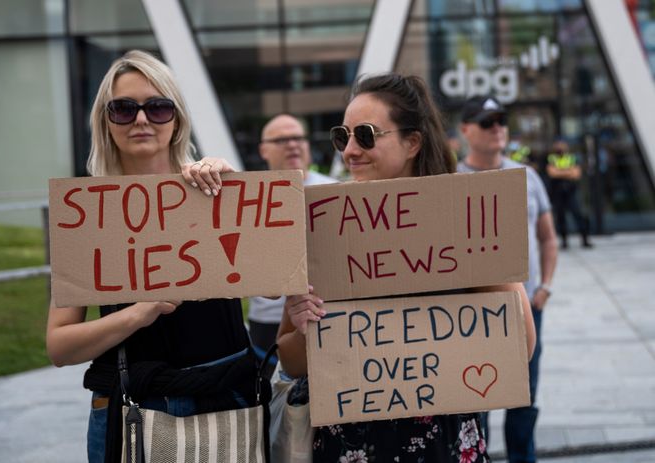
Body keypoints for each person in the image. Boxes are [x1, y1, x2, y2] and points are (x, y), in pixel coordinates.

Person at [276, 74, 536, 462]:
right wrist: (303, 327)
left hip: (440, 444)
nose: (349, 150)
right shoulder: (322, 226)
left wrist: (477, 265)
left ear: (412, 141)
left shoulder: (459, 218)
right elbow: (290, 360)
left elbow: (522, 345)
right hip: (349, 445)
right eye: (341, 136)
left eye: (365, 135)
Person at [46, 50, 260, 463]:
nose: (142, 119)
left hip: (226, 402)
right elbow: (59, 346)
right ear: (105, 122)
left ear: (177, 118)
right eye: (124, 109)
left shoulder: (216, 192)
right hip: (132, 412)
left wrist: (233, 189)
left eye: (158, 107)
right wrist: (138, 313)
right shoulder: (89, 214)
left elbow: (274, 286)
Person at [458, 95, 559, 463]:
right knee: (474, 398)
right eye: (486, 122)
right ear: (465, 130)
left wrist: (545, 287)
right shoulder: (450, 180)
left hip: (526, 307)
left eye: (501, 120)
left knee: (525, 395)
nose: (497, 127)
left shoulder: (527, 176)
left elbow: (548, 237)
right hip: (473, 313)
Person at [248, 114, 335, 357]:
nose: (293, 144)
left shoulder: (334, 192)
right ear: (263, 150)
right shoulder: (249, 199)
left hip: (325, 313)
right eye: (282, 140)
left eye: (298, 137)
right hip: (267, 321)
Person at [546, 139, 593, 249]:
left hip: (571, 192)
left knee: (578, 215)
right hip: (557, 192)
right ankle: (564, 242)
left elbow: (576, 174)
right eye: (558, 145)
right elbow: (552, 173)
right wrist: (568, 172)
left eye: (562, 145)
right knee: (561, 217)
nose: (560, 147)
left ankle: (585, 240)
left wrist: (560, 172)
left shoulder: (572, 158)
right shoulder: (551, 158)